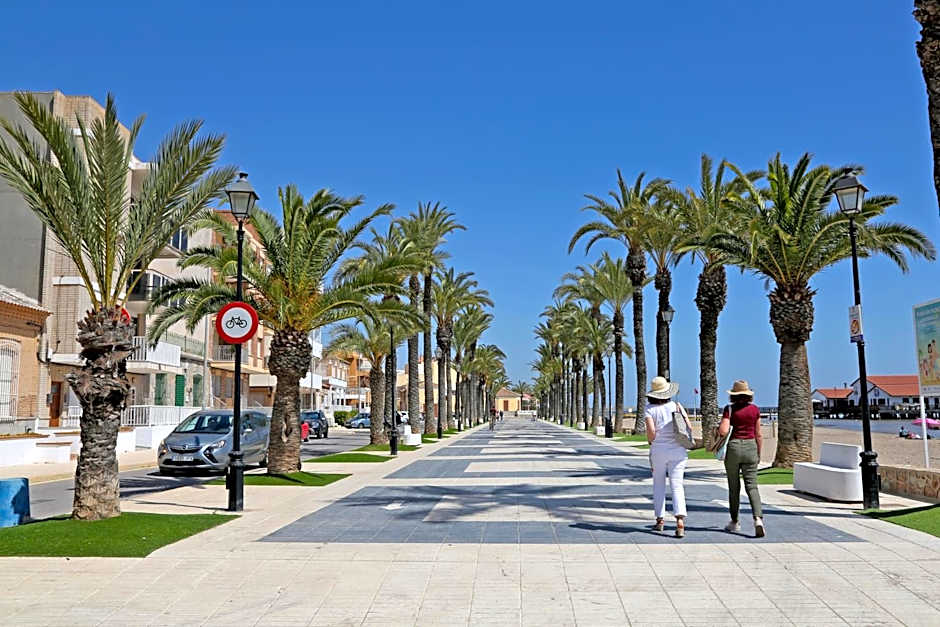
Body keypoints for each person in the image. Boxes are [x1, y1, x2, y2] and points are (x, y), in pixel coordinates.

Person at [718, 380, 765, 538]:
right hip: (751, 446)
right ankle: (758, 519)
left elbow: (723, 431)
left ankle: (734, 521)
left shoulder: (729, 409)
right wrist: (758, 453)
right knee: (752, 486)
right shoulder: (755, 410)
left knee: (734, 487)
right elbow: (758, 434)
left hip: (733, 447)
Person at [644, 376, 688, 538]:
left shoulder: (649, 409)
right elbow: (688, 427)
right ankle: (680, 521)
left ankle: (660, 520)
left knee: (658, 484)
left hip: (658, 451)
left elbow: (651, 433)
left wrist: (652, 441)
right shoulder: (676, 406)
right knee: (677, 485)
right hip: (678, 450)